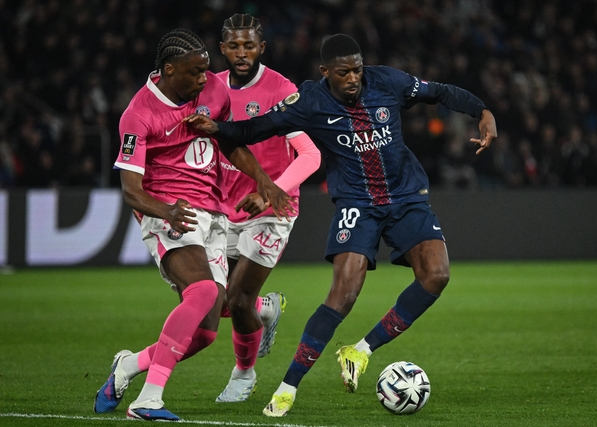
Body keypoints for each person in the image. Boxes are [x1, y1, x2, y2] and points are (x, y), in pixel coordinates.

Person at [183, 33, 498, 417]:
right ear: (325, 72)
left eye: (357, 70)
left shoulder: (387, 81)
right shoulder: (309, 100)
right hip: (357, 205)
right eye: (344, 72)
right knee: (343, 295)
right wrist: (218, 128)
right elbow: (256, 129)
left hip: (406, 198)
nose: (353, 78)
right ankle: (287, 388)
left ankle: (360, 351)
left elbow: (439, 92)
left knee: (437, 275)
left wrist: (481, 110)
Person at [92, 28, 292, 422]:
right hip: (170, 211)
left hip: (214, 213)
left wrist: (263, 180)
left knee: (204, 333)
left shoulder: (214, 91)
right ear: (169, 70)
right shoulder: (139, 114)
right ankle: (147, 401)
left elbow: (229, 142)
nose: (205, 78)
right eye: (195, 72)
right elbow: (131, 190)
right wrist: (165, 212)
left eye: (206, 69)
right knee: (201, 292)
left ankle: (128, 366)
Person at [213, 14, 321, 403]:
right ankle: (267, 309)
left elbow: (310, 155)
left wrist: (269, 192)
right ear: (222, 49)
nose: (242, 53)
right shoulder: (210, 88)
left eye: (249, 46)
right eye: (234, 46)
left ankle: (243, 375)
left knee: (238, 299)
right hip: (224, 206)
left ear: (261, 48)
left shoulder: (280, 90)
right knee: (217, 301)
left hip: (272, 208)